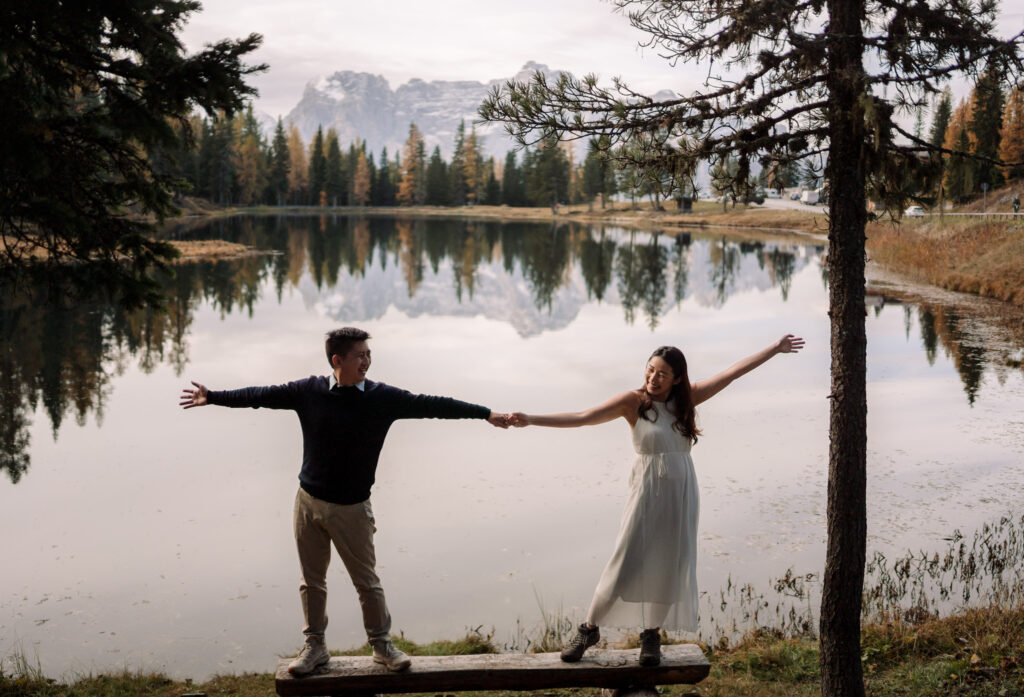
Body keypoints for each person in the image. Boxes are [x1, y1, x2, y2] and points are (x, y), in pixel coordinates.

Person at [179, 327, 512, 675]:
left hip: (352, 509)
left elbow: (435, 405)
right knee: (312, 582)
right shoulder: (308, 391)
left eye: (368, 355)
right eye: (360, 356)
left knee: (367, 583)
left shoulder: (384, 398)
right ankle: (315, 647)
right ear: (338, 360)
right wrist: (213, 396)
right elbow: (260, 395)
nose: (367, 361)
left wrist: (485, 413)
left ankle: (382, 646)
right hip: (308, 504)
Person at [510, 334, 804, 666]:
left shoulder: (687, 400)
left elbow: (732, 373)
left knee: (669, 561)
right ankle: (589, 628)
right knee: (625, 559)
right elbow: (583, 416)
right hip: (646, 491)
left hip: (681, 493)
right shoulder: (633, 402)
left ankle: (651, 635)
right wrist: (531, 419)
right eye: (650, 370)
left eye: (662, 373)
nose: (653, 378)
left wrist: (774, 349)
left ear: (677, 378)